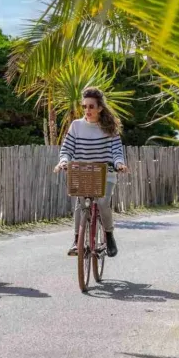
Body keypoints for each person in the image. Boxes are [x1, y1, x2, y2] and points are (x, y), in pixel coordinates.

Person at [54, 87, 127, 257]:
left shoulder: (110, 128)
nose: (87, 110)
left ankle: (109, 235)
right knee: (81, 205)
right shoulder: (76, 126)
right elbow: (67, 149)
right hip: (83, 172)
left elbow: (117, 152)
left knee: (102, 203)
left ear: (100, 107)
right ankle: (76, 240)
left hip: (105, 173)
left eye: (91, 107)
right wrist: (63, 161)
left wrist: (119, 164)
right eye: (84, 106)